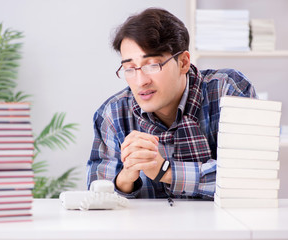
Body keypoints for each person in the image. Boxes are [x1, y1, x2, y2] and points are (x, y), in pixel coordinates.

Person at [87, 8, 257, 199]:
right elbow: (96, 199)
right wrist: (126, 178)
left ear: (183, 62)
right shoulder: (113, 113)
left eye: (152, 65)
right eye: (129, 68)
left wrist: (165, 172)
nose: (141, 81)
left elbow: (251, 177)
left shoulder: (228, 90)